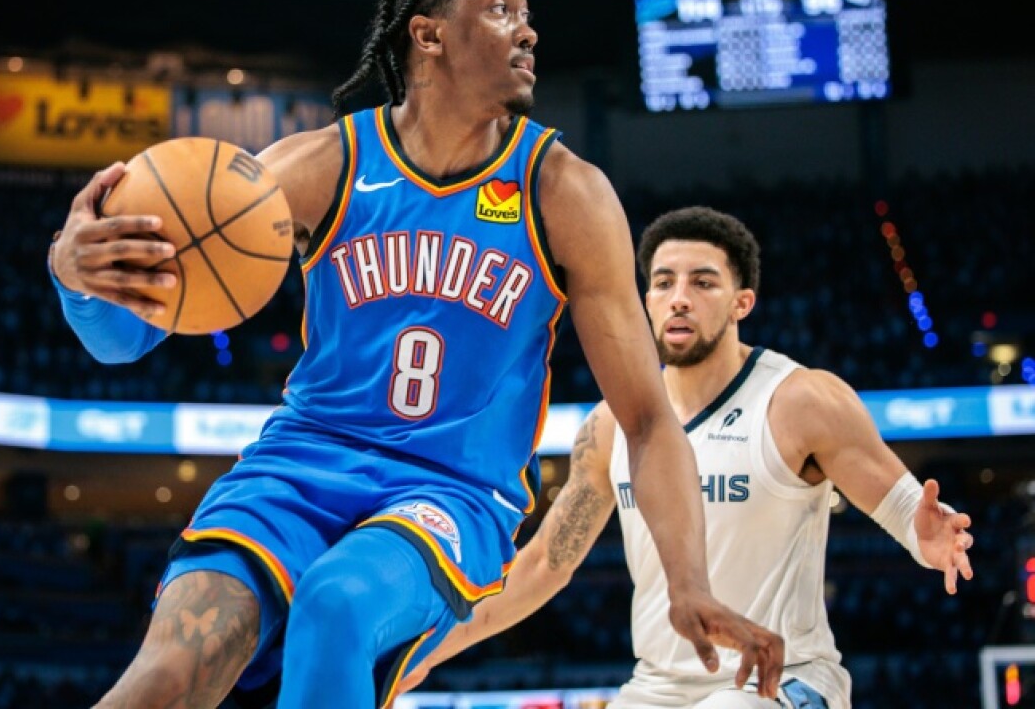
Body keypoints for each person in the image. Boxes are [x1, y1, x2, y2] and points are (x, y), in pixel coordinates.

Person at [49, 0, 783, 709]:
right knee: (168, 672)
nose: (528, 33)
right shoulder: (320, 165)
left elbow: (645, 419)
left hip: (452, 491)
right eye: (502, 10)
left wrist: (689, 583)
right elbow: (121, 340)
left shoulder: (563, 191)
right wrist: (75, 273)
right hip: (299, 464)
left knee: (336, 604)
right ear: (428, 35)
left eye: (530, 17)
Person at [401, 206, 975, 708]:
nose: (679, 297)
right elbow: (547, 563)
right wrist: (431, 649)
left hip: (781, 683)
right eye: (663, 282)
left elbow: (905, 508)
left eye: (703, 283)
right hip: (658, 688)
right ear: (644, 299)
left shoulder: (800, 401)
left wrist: (926, 535)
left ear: (741, 302)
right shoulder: (611, 424)